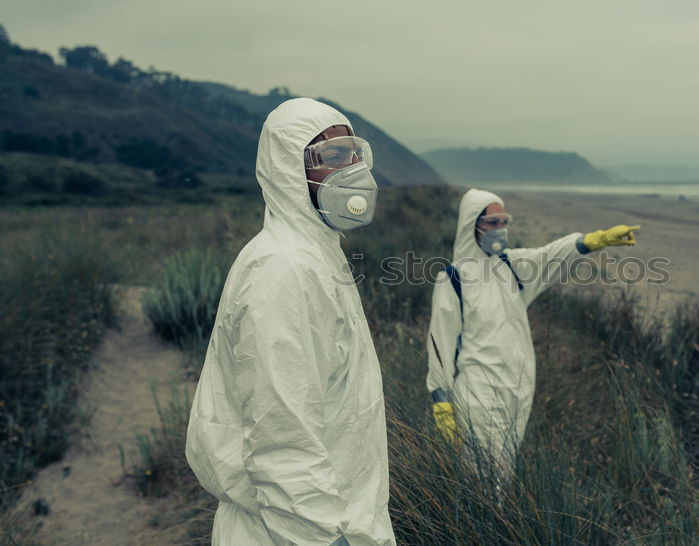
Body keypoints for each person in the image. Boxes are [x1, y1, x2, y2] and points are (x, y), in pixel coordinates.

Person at [186, 97, 395, 545]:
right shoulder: (284, 270)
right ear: (288, 170)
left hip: (329, 517)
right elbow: (281, 438)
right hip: (293, 532)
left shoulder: (316, 255)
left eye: (354, 153)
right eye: (333, 158)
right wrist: (325, 539)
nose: (353, 170)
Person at [425, 188, 639, 475]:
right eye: (492, 222)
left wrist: (593, 241)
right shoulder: (452, 279)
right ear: (471, 225)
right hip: (478, 393)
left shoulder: (512, 266)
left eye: (504, 222)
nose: (500, 229)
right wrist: (441, 401)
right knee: (482, 473)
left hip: (518, 391)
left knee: (504, 469)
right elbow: (440, 342)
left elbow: (551, 256)